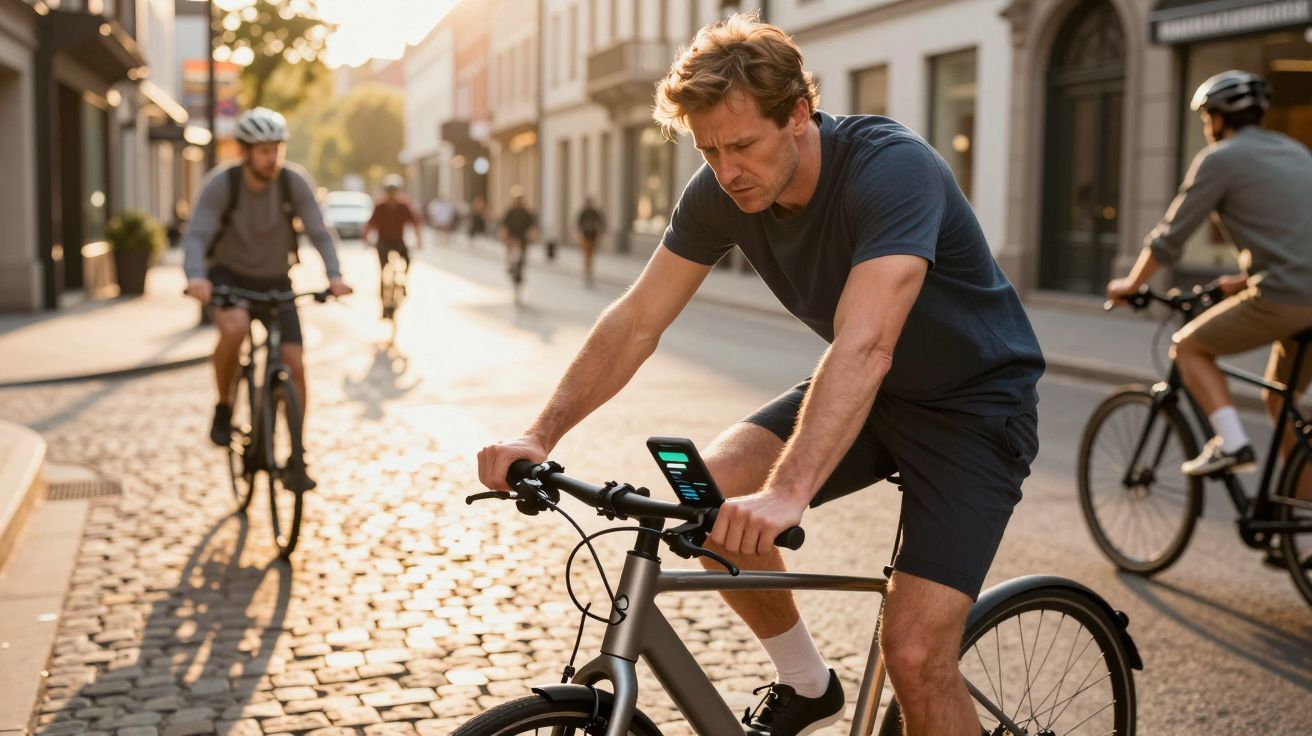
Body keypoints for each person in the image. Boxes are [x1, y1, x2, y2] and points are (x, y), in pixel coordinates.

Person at [476, 15, 1043, 736]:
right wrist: (539, 432)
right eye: (709, 150)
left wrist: (787, 493)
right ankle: (808, 683)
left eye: (742, 145)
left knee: (914, 651)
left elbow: (865, 344)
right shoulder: (722, 191)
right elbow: (637, 320)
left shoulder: (891, 170)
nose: (727, 169)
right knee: (700, 497)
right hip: (871, 396)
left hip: (974, 410)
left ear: (799, 115)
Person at [1107, 70, 1312, 485]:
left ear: (1219, 119)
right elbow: (1294, 232)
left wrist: (1130, 284)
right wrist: (1245, 277)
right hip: (1297, 293)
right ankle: (1304, 534)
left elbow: (1169, 238)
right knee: (1278, 398)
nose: (1206, 128)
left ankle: (1232, 443)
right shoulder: (1296, 153)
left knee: (1188, 347)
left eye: (1206, 119)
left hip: (1286, 296)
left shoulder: (1220, 159)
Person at [182, 107, 353, 491]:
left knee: (294, 362)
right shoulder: (222, 184)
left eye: (276, 148)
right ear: (244, 152)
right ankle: (224, 407)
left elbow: (319, 231)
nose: (271, 157)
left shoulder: (293, 183)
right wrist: (196, 276)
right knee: (235, 328)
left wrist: (335, 275)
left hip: (276, 279)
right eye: (262, 150)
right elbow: (197, 235)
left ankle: (297, 455)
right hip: (228, 276)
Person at [364, 174, 424, 314]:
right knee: (383, 271)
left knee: (408, 260)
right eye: (389, 192)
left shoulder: (404, 205)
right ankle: (383, 305)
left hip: (398, 241)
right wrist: (366, 239)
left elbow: (415, 223)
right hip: (383, 242)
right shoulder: (380, 206)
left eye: (394, 192)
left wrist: (419, 239)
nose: (392, 195)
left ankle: (403, 283)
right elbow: (370, 224)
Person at [498, 190, 538, 305]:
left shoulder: (526, 212)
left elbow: (532, 225)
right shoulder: (510, 211)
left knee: (522, 260)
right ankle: (509, 265)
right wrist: (503, 235)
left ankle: (519, 271)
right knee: (510, 255)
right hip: (512, 238)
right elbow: (503, 224)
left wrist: (533, 235)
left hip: (522, 240)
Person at [576, 196, 605, 287]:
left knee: (590, 255)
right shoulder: (584, 212)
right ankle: (587, 271)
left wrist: (601, 231)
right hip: (586, 235)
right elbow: (578, 223)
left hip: (593, 235)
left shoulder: (594, 212)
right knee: (587, 255)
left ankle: (588, 271)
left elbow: (601, 222)